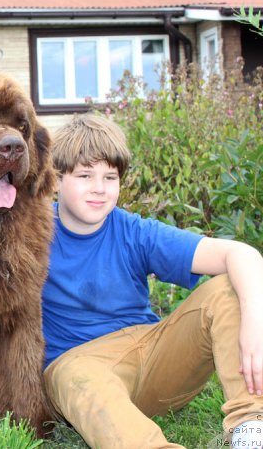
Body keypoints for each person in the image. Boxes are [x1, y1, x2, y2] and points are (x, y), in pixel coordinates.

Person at [42, 114, 263, 448]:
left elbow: (241, 254)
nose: (99, 188)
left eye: (110, 177)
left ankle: (250, 428)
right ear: (56, 180)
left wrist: (254, 326)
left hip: (153, 355)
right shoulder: (33, 234)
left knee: (228, 288)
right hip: (79, 363)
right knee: (77, 376)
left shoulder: (135, 232)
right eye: (85, 175)